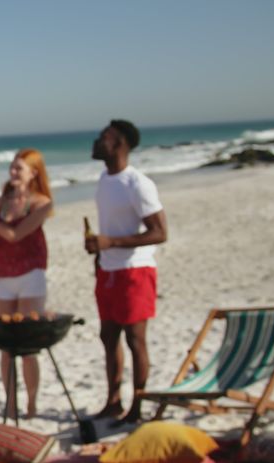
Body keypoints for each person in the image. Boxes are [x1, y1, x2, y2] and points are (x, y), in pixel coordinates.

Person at [86, 119, 168, 424]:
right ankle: (113, 400)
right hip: (108, 269)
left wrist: (112, 242)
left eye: (103, 137)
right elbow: (112, 227)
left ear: (119, 143)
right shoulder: (103, 180)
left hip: (135, 269)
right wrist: (99, 249)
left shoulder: (138, 184)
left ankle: (137, 405)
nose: (97, 142)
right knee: (108, 336)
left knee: (135, 339)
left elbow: (160, 232)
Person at [0, 149, 54, 419]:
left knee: (28, 344)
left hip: (30, 273)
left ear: (33, 172)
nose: (13, 172)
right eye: (12, 167)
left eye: (19, 168)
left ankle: (31, 401)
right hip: (2, 274)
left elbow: (15, 234)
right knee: (7, 344)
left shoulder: (40, 202)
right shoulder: (1, 202)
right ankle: (11, 401)